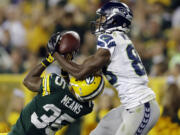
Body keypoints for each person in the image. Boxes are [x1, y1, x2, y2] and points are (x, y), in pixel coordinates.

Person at [47, 1, 160, 135]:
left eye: (103, 17)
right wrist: (63, 59)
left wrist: (56, 55)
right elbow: (83, 68)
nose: (99, 20)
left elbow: (80, 73)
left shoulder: (109, 38)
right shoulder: (119, 40)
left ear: (114, 19)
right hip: (129, 107)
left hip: (141, 105)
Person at [7, 39, 105, 135]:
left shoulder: (56, 85)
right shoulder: (86, 107)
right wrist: (65, 69)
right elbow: (70, 94)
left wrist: (50, 58)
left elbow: (28, 81)